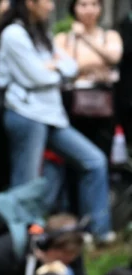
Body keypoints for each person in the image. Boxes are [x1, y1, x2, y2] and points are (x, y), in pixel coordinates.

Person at [0, 0, 112, 240]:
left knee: (94, 161)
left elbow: (70, 67)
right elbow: (37, 77)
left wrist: (54, 68)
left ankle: (96, 231)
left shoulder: (41, 32)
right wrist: (54, 69)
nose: (51, 6)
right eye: (47, 1)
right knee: (26, 183)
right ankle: (22, 239)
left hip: (52, 115)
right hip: (26, 114)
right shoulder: (13, 34)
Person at [55, 0, 123, 162]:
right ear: (74, 8)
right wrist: (95, 65)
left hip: (103, 104)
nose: (89, 10)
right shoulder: (63, 38)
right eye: (83, 5)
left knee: (102, 154)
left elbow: (114, 57)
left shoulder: (110, 36)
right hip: (72, 104)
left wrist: (85, 38)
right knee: (73, 157)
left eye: (94, 4)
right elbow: (62, 66)